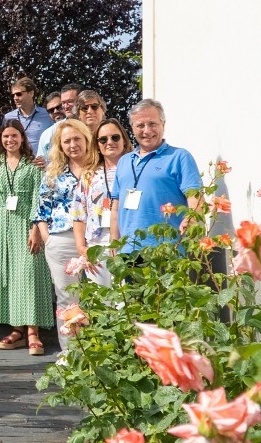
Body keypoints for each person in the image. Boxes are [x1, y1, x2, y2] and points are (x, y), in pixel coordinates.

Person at [0, 119, 54, 355]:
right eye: (5, 136)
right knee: (9, 277)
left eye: (14, 136)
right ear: (0, 139)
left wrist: (35, 230)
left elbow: (38, 199)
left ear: (22, 138)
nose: (10, 140)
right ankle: (17, 329)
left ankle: (34, 331)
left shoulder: (33, 165)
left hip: (26, 225)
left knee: (29, 276)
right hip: (2, 227)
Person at [36, 118, 98, 353]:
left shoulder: (99, 168)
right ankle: (71, 354)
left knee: (99, 296)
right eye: (67, 141)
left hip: (95, 240)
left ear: (86, 139)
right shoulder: (54, 173)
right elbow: (41, 209)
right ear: (60, 146)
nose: (72, 145)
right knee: (68, 299)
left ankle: (97, 351)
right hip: (61, 239)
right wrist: (47, 238)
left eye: (76, 139)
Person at [110, 99, 203, 254]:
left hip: (168, 250)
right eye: (140, 125)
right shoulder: (124, 161)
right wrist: (114, 244)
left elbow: (196, 198)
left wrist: (191, 223)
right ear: (132, 128)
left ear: (163, 125)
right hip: (129, 252)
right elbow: (115, 209)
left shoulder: (179, 157)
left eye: (152, 124)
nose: (146, 130)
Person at [72, 118, 130, 286]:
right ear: (97, 144)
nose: (109, 142)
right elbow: (78, 214)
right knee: (102, 303)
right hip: (96, 244)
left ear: (124, 141)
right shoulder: (89, 176)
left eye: (115, 137)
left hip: (126, 241)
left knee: (125, 302)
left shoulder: (134, 171)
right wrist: (82, 249)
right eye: (103, 139)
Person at [3, 77, 54, 154]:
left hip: (42, 164)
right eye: (13, 95)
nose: (15, 98)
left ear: (31, 93)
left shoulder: (47, 115)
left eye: (19, 94)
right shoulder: (8, 117)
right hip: (17, 164)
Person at [35, 85, 87, 159]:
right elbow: (41, 162)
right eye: (63, 103)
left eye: (70, 101)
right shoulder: (50, 133)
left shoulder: (93, 125)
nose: (66, 106)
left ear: (81, 101)